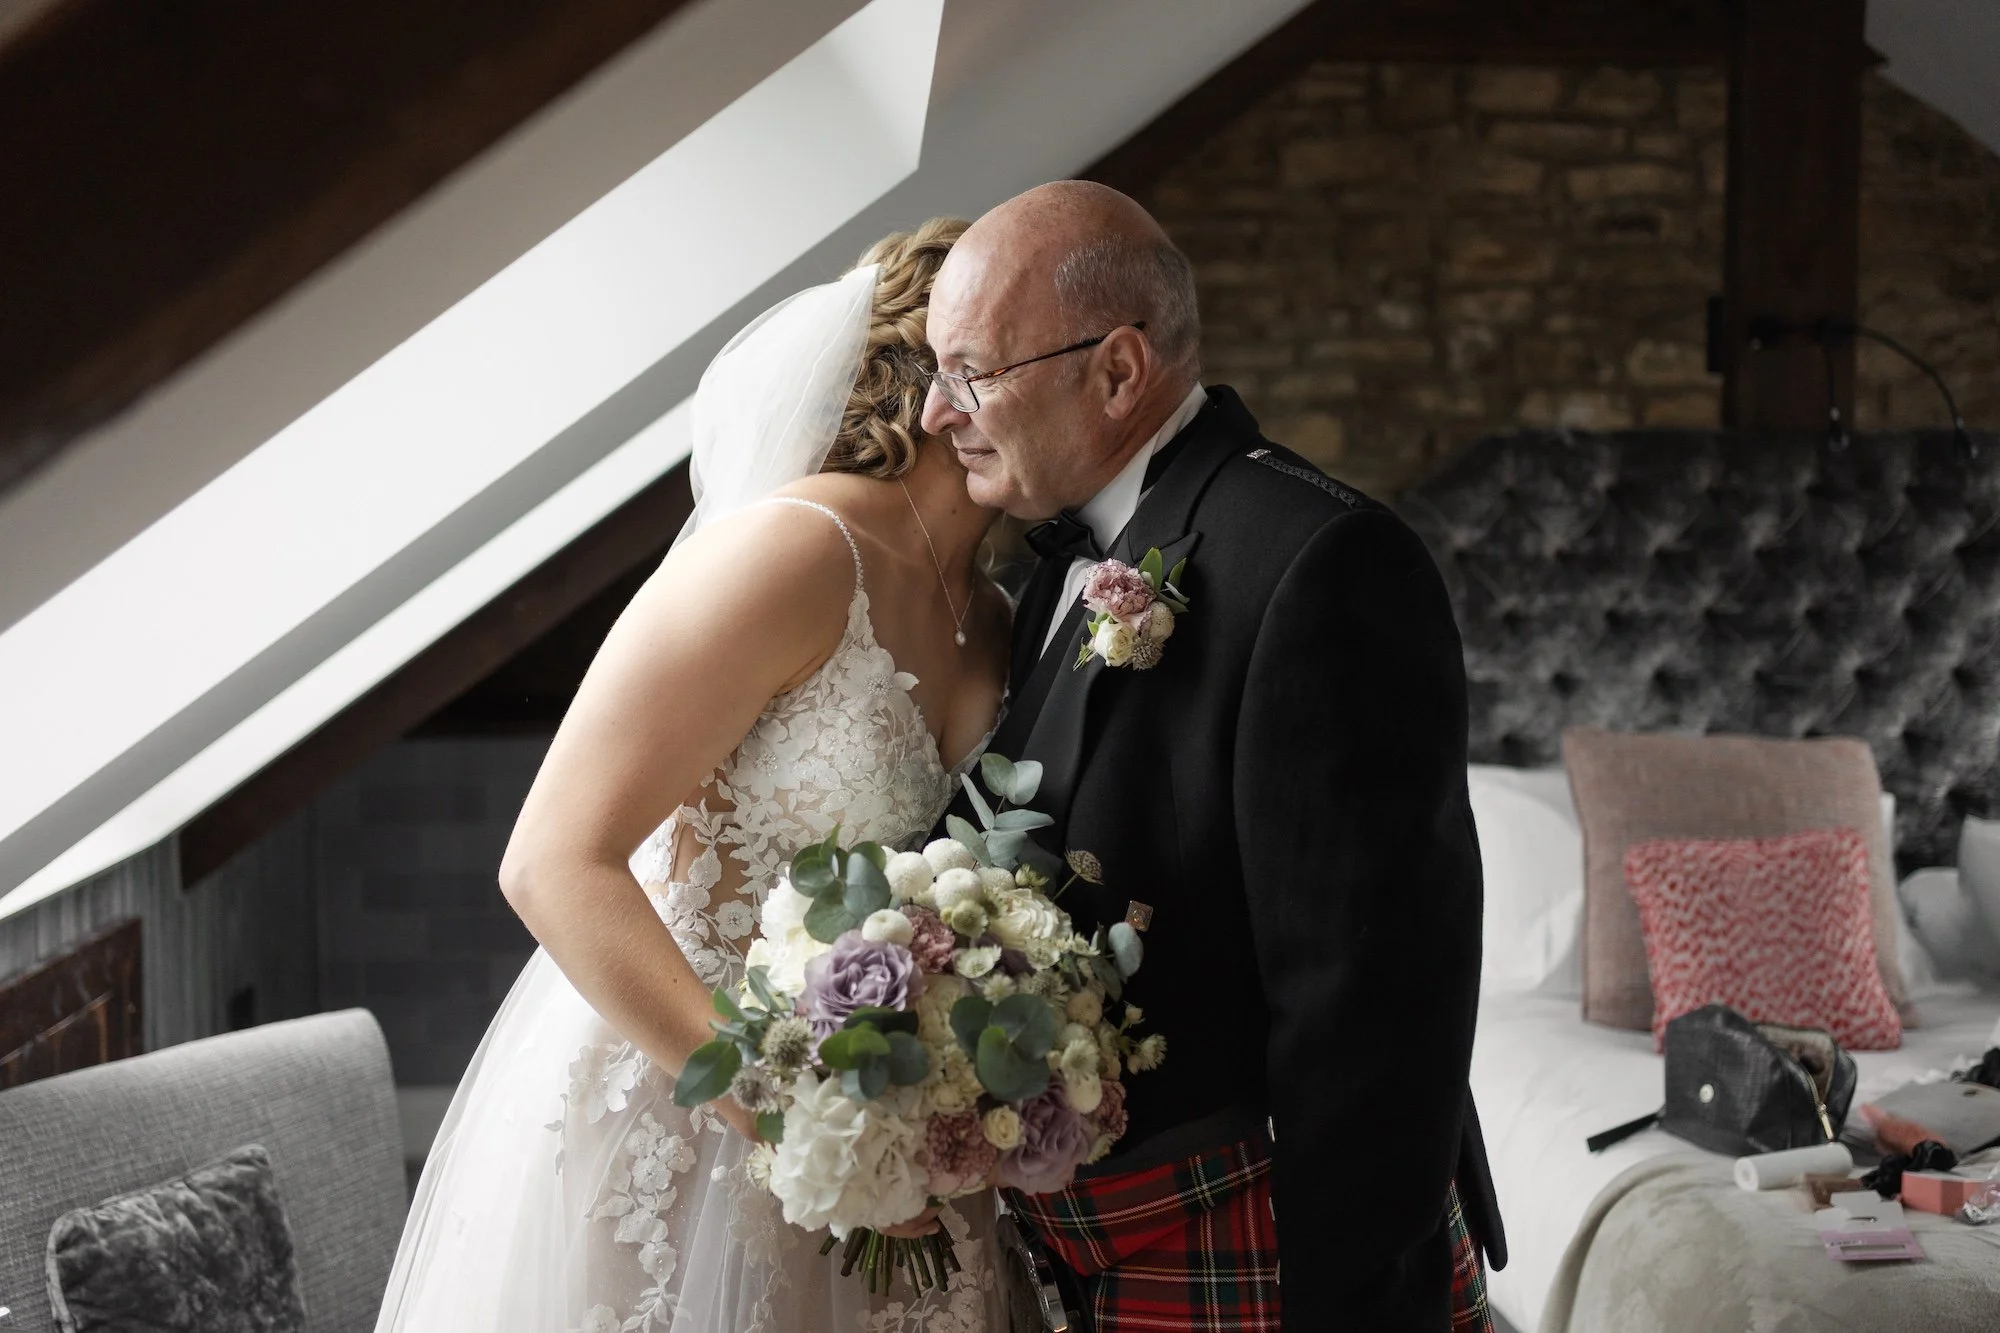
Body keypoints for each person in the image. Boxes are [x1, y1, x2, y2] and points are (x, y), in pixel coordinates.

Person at [376, 218, 1013, 1333]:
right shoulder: (792, 552)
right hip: (688, 1120)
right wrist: (774, 1106)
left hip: (898, 1136)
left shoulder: (1000, 616)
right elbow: (551, 861)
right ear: (944, 375)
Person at [924, 181, 1505, 1331]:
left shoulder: (1324, 562)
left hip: (1271, 1248)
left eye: (972, 372)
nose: (942, 413)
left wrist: (1349, 1309)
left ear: (1116, 370)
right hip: (1103, 1250)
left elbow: (1374, 997)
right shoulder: (1052, 562)